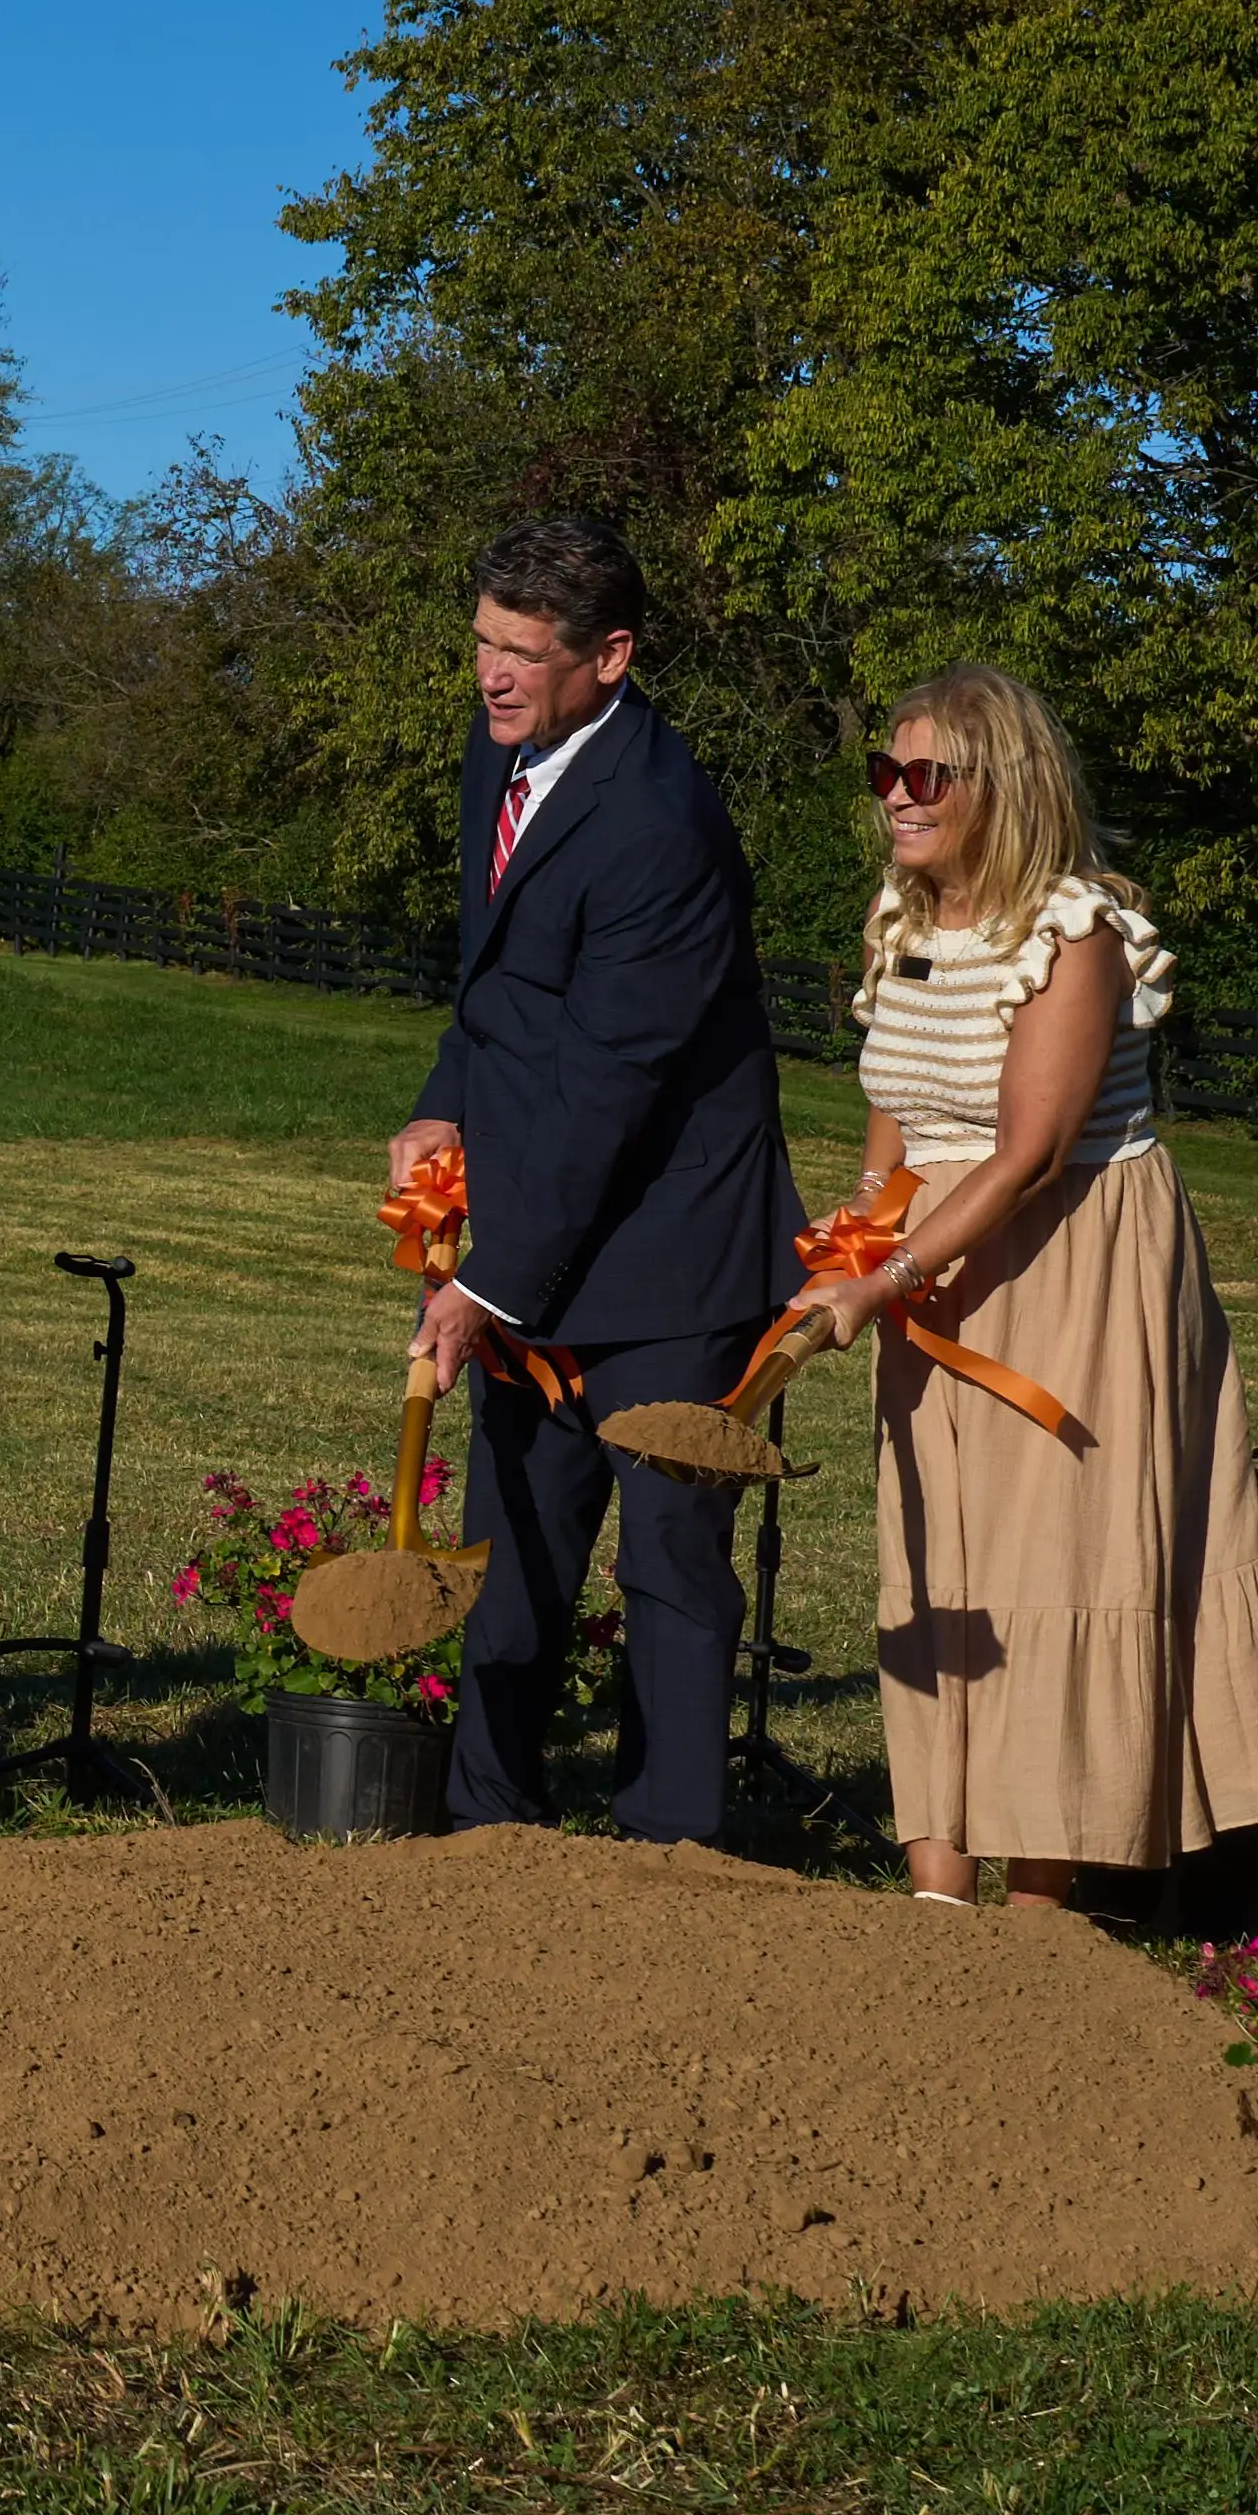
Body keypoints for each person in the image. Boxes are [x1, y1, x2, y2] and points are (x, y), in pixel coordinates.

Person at [810, 665, 1258, 1909]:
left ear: (1008, 784)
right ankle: (938, 1891)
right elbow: (900, 1120)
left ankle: (1038, 1908)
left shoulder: (1073, 932)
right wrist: (857, 1234)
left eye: (927, 775)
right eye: (888, 772)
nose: (899, 796)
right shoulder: (905, 922)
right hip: (934, 1262)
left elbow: (1031, 1150)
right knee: (936, 1558)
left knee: (1054, 1561)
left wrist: (888, 1277)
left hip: (1069, 1262)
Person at [389, 513, 802, 1844]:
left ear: (609, 657)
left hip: (671, 1248)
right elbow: (501, 990)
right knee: (513, 1539)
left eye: (525, 652)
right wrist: (441, 1102)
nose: (493, 675)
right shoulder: (503, 753)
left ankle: (673, 1858)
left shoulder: (659, 829)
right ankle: (487, 1826)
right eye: (482, 645)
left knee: (672, 1563)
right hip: (545, 1223)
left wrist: (492, 1287)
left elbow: (612, 1081)